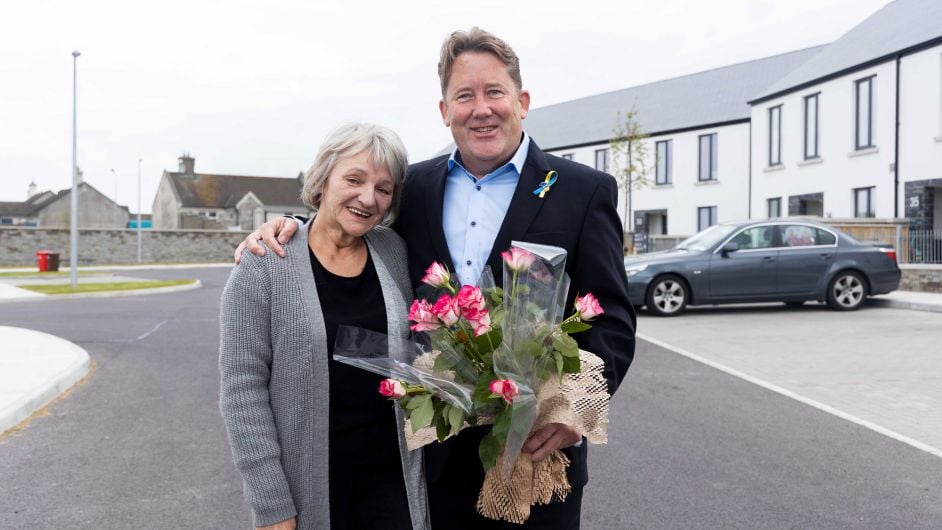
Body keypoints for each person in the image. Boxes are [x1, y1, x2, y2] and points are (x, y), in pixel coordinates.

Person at [236, 28, 636, 529]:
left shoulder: (582, 190)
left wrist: (571, 410)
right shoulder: (415, 188)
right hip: (431, 464)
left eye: (494, 92)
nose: (481, 108)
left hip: (533, 457)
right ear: (445, 111)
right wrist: (292, 227)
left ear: (523, 101)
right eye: (464, 96)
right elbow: (354, 221)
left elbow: (613, 320)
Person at [219, 123, 429, 530]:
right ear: (322, 179)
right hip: (312, 487)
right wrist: (271, 503)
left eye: (384, 189)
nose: (368, 198)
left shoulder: (393, 251)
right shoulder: (264, 264)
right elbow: (242, 391)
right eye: (354, 179)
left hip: (394, 483)